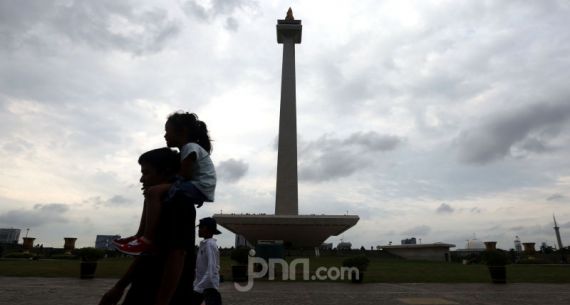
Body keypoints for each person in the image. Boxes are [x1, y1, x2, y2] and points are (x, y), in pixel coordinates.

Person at [98, 148, 196, 305]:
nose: (141, 179)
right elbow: (147, 253)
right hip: (144, 287)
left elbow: (177, 255)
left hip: (167, 293)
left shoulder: (179, 202)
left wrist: (162, 301)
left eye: (146, 173)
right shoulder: (159, 203)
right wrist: (120, 287)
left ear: (165, 172)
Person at [116, 112, 216, 255]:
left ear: (182, 131)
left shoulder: (189, 147)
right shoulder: (188, 148)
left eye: (167, 131)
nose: (165, 135)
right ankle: (139, 236)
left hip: (198, 187)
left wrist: (169, 184)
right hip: (199, 188)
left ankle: (146, 239)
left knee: (154, 192)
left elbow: (185, 174)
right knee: (151, 195)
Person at [192, 217, 223, 305]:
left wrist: (198, 287)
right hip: (202, 285)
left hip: (209, 287)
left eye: (200, 228)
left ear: (205, 228)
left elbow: (212, 269)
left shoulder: (210, 245)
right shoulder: (205, 244)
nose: (198, 230)